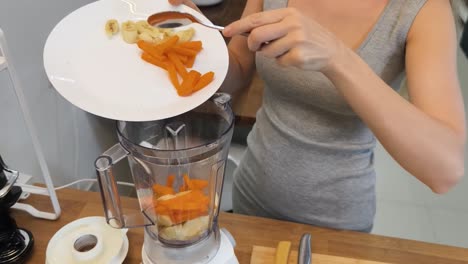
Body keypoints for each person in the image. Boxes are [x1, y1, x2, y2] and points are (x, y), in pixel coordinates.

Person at [169, 0, 466, 232]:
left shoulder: (423, 11)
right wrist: (200, 43)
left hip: (336, 222)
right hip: (252, 194)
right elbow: (238, 69)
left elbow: (444, 170)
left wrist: (337, 58)